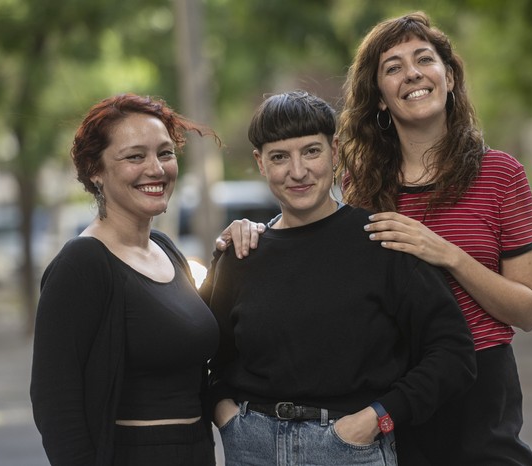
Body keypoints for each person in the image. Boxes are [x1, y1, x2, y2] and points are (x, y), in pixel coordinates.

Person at [200, 90, 476, 466]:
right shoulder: (242, 254)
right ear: (260, 163)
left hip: (351, 447)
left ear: (335, 150)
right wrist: (224, 414)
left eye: (311, 151)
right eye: (279, 157)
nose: (297, 171)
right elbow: (203, 355)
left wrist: (376, 418)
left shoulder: (382, 242)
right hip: (253, 447)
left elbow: (453, 353)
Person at [337, 11, 532, 465]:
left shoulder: (501, 174)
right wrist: (250, 231)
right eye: (392, 67)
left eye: (424, 59)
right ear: (379, 99)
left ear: (448, 77)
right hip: (396, 387)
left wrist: (447, 254)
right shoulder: (361, 187)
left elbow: (528, 310)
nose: (411, 73)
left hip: (482, 383)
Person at [30, 93, 220, 466]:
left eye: (165, 153)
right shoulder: (82, 263)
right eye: (135, 156)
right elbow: (56, 406)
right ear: (95, 170)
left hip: (197, 451)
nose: (156, 169)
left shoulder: (166, 250)